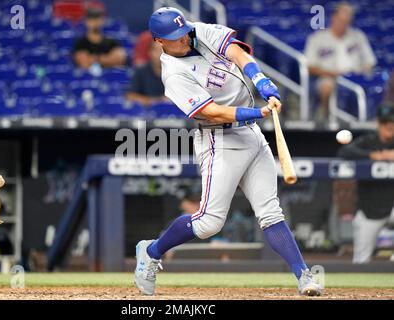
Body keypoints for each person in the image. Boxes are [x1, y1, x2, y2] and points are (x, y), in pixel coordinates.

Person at [134, 7, 322, 296]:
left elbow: (236, 52)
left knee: (270, 212)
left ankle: (303, 275)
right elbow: (211, 112)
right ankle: (152, 251)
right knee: (209, 223)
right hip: (219, 141)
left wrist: (261, 80)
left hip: (251, 136)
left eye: (183, 32)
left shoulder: (198, 31)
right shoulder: (173, 74)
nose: (183, 39)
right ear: (159, 41)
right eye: (175, 37)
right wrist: (256, 112)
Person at [338, 104, 394, 263]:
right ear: (378, 123)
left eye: (392, 122)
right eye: (385, 123)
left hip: (392, 207)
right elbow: (345, 152)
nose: (389, 126)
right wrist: (374, 155)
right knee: (361, 261)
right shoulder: (369, 141)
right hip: (370, 209)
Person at [304, 2, 377, 122]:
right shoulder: (318, 38)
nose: (344, 23)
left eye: (347, 20)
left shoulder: (358, 36)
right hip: (330, 77)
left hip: (356, 77)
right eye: (341, 19)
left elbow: (370, 61)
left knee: (373, 85)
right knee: (326, 85)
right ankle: (326, 118)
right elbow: (310, 66)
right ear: (334, 17)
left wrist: (363, 72)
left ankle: (367, 120)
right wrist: (332, 74)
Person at [126, 41, 167, 106]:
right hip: (144, 112)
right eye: (157, 50)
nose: (160, 54)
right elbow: (131, 96)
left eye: (164, 50)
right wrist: (152, 101)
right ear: (150, 52)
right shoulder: (140, 71)